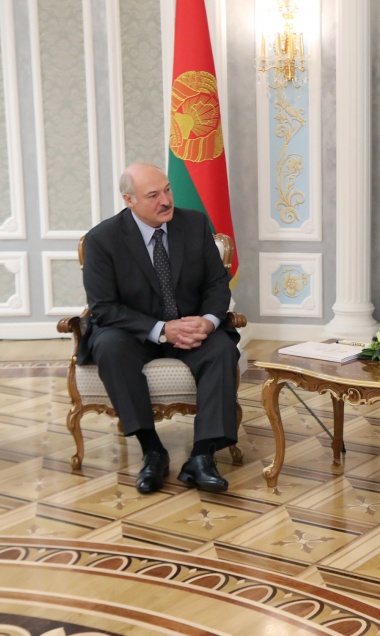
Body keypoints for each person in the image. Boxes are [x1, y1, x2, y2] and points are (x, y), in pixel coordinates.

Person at [79, 162, 240, 495]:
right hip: (134, 332)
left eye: (167, 190)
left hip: (190, 326)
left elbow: (216, 283)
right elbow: (104, 307)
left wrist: (208, 321)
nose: (166, 200)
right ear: (129, 200)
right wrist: (162, 329)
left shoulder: (194, 223)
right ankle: (152, 451)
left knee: (223, 348)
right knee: (109, 346)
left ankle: (202, 456)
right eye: (153, 195)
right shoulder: (102, 239)